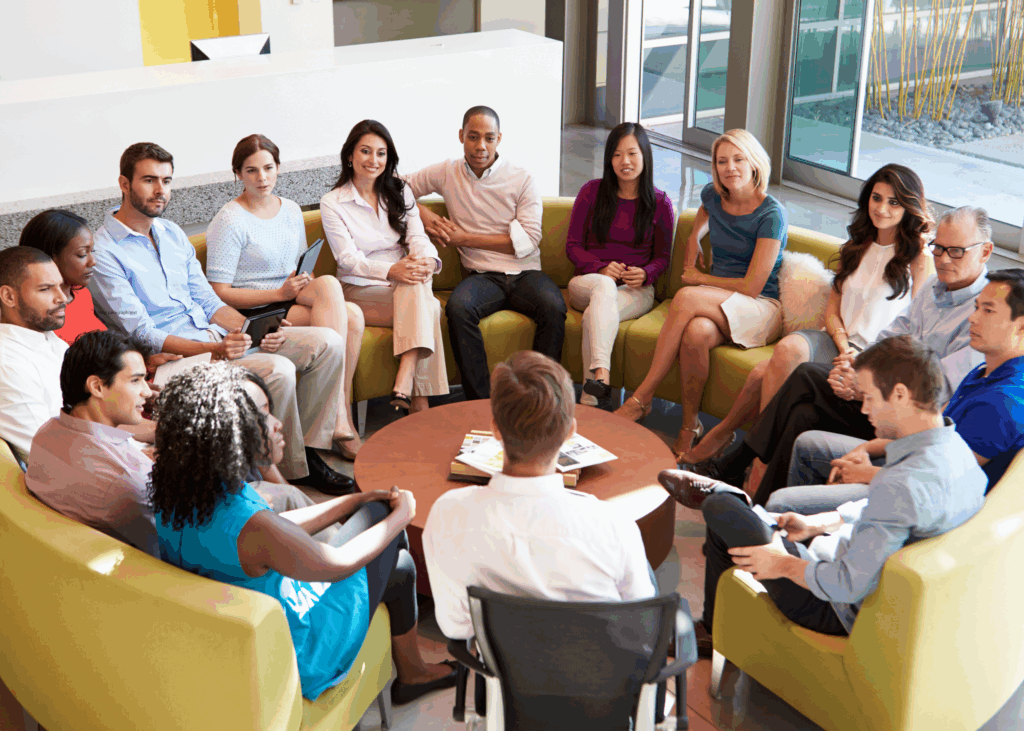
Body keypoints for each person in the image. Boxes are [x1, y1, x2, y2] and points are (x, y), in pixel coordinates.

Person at [150, 363, 457, 705]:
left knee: (395, 558)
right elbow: (336, 563)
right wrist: (401, 517)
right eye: (264, 414)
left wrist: (352, 501)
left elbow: (276, 533)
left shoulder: (185, 496)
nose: (278, 423)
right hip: (302, 651)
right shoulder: (251, 524)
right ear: (227, 433)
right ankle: (416, 667)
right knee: (388, 529)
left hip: (256, 625)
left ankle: (412, 672)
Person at [662, 336, 987, 655]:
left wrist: (783, 565)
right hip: (858, 564)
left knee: (722, 515)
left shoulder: (903, 484)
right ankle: (741, 509)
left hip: (836, 607)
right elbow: (899, 512)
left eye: (870, 397)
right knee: (756, 516)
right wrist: (822, 522)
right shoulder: (954, 450)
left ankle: (714, 629)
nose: (864, 408)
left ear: (900, 394)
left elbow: (845, 585)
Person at [87, 142, 354, 491]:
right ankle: (293, 471)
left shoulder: (172, 233)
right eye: (149, 180)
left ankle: (310, 449)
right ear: (125, 184)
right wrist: (211, 350)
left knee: (327, 343)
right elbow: (143, 332)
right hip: (174, 360)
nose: (160, 190)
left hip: (216, 339)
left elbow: (210, 302)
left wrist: (254, 330)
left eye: (166, 181)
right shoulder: (104, 249)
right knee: (279, 369)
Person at [685, 206, 993, 504]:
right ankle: (760, 507)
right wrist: (858, 372)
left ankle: (733, 465)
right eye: (939, 248)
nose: (943, 259)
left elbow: (938, 390)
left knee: (805, 376)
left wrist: (866, 385)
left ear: (985, 251)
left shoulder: (984, 313)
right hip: (877, 391)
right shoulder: (933, 289)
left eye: (956, 251)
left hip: (902, 419)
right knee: (802, 414)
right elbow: (890, 338)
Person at [679, 164, 934, 463]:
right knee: (788, 349)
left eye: (894, 202)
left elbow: (917, 330)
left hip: (876, 356)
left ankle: (734, 446)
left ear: (909, 205)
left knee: (763, 373)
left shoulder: (918, 258)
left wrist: (862, 361)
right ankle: (741, 452)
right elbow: (832, 312)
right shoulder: (856, 246)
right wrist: (842, 347)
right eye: (877, 198)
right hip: (834, 342)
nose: (882, 209)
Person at [422, 351, 656, 641]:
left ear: (495, 429)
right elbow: (640, 625)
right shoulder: (614, 526)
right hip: (601, 677)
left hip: (506, 679)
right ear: (570, 431)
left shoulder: (448, 514)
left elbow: (455, 627)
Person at [769, 268, 1024, 513]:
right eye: (977, 306)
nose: (973, 317)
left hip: (918, 499)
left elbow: (941, 485)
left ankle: (781, 529)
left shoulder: (1002, 402)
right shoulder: (986, 368)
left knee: (782, 503)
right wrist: (866, 449)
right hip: (912, 461)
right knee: (808, 439)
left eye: (988, 311)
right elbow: (927, 435)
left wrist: (867, 473)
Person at [614, 129, 788, 457]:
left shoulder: (771, 215)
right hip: (721, 305)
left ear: (754, 163)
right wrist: (695, 236)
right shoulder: (712, 195)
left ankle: (642, 397)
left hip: (760, 307)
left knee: (685, 297)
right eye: (722, 161)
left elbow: (752, 286)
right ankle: (688, 426)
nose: (730, 167)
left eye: (738, 159)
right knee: (695, 332)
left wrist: (697, 279)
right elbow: (705, 213)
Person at [205, 134, 365, 459]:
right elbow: (218, 292)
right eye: (251, 171)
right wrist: (279, 294)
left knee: (331, 287)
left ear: (278, 168)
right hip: (257, 310)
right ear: (238, 173)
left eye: (268, 168)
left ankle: (338, 413)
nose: (262, 178)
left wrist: (306, 289)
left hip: (289, 298)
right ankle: (340, 417)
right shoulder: (229, 220)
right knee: (352, 317)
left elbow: (298, 271)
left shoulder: (290, 210)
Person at [405, 106, 567, 401]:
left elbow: (529, 240)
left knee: (554, 308)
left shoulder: (522, 178)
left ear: (499, 139)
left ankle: (542, 397)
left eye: (488, 138)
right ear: (461, 136)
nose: (481, 146)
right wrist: (425, 215)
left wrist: (464, 238)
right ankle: (479, 402)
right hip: (482, 277)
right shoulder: (447, 172)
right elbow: (396, 186)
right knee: (458, 308)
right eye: (473, 137)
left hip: (526, 273)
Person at [321, 120, 448, 414]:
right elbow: (347, 259)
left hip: (404, 283)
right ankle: (418, 400)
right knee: (430, 307)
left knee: (417, 286)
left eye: (381, 153)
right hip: (359, 288)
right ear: (350, 156)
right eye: (365, 151)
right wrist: (391, 271)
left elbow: (418, 237)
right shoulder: (333, 202)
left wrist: (427, 261)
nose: (373, 160)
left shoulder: (399, 190)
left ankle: (407, 388)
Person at [565, 122, 673, 406]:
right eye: (616, 154)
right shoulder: (591, 192)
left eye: (632, 153)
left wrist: (646, 273)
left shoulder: (660, 203)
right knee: (603, 287)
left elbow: (663, 257)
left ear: (645, 156)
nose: (624, 161)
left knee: (595, 316)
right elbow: (572, 246)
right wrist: (600, 267)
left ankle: (591, 398)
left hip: (635, 291)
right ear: (608, 159)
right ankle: (603, 373)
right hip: (587, 283)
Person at [0, 247, 70, 464]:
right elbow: (51, 452)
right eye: (46, 289)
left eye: (61, 286)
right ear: (8, 296)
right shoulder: (7, 363)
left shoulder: (50, 340)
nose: (62, 298)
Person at [18, 209, 104, 345]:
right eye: (82, 254)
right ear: (49, 258)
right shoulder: (37, 315)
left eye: (91, 251)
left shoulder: (81, 294)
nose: (92, 261)